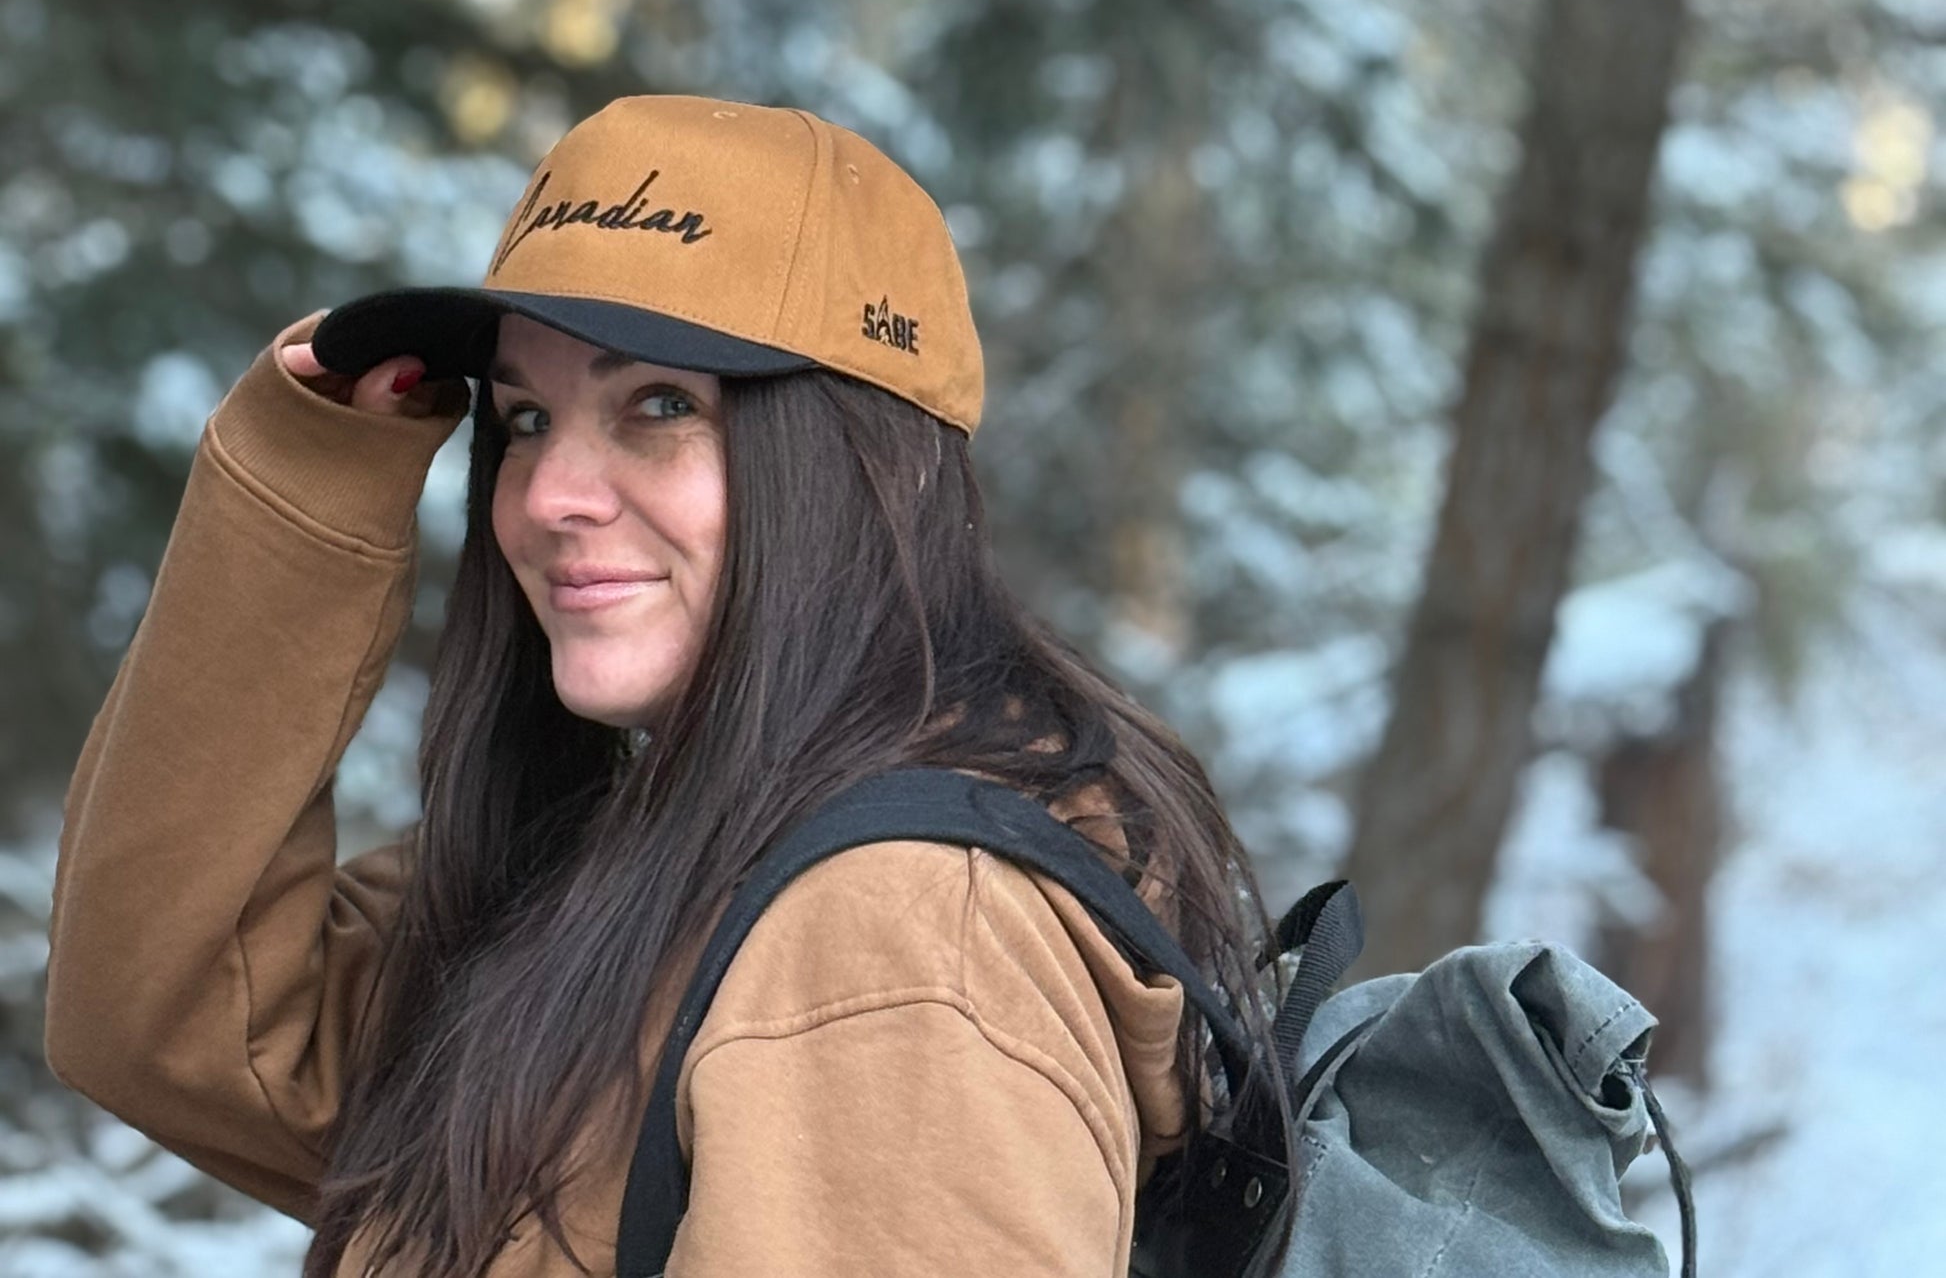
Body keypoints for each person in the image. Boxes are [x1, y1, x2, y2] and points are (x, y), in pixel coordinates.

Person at [44, 93, 1282, 1278]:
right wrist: (316, 473)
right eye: (525, 419)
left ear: (882, 464)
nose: (545, 495)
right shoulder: (661, 857)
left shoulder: (897, 940)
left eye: (659, 402)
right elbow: (176, 1016)